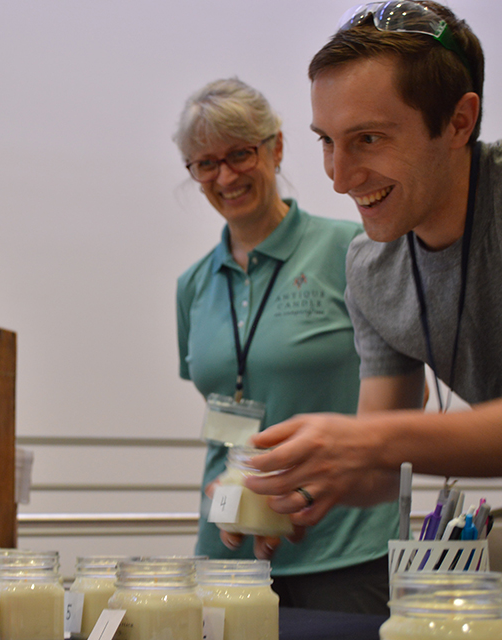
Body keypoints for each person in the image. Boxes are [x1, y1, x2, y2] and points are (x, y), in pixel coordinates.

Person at [246, 0, 502, 527]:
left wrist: (367, 441)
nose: (340, 178)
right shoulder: (371, 268)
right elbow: (380, 470)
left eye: (368, 138)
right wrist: (284, 483)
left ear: (459, 122)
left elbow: (378, 441)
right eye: (327, 142)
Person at [174, 77, 398, 613]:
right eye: (205, 163)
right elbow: (225, 402)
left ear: (275, 147)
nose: (225, 175)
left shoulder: (353, 251)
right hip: (227, 550)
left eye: (240, 153)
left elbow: (395, 405)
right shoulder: (192, 285)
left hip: (340, 551)